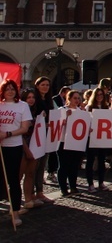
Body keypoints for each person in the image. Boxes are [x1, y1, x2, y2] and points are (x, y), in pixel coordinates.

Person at [0, 79, 32, 227]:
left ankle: (16, 211)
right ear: (3, 91)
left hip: (14, 146)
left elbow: (24, 128)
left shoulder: (23, 106)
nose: (10, 91)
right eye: (7, 89)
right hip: (0, 147)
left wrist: (6, 134)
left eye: (13, 89)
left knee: (13, 179)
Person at [57, 90, 85, 196]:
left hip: (76, 142)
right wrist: (65, 117)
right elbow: (57, 125)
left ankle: (73, 186)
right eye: (75, 98)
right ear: (69, 99)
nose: (77, 100)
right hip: (63, 141)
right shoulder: (62, 110)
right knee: (64, 165)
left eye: (78, 98)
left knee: (74, 165)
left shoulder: (81, 111)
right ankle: (63, 188)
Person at [32, 76, 54, 204]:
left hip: (46, 134)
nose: (45, 87)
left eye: (47, 85)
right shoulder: (35, 100)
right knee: (35, 164)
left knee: (42, 165)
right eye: (43, 85)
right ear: (37, 86)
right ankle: (32, 193)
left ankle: (40, 191)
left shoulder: (48, 100)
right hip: (36, 135)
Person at [19, 88, 41, 211]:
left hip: (34, 145)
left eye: (33, 97)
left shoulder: (34, 111)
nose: (31, 99)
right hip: (22, 146)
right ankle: (16, 202)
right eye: (28, 97)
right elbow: (21, 134)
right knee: (19, 175)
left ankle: (28, 199)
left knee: (30, 173)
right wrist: (27, 150)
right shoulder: (20, 112)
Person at [85, 87, 110, 191]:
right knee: (90, 160)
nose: (99, 96)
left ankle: (101, 182)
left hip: (102, 137)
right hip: (91, 137)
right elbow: (86, 121)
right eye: (98, 95)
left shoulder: (105, 107)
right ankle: (90, 183)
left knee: (101, 160)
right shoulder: (89, 107)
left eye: (101, 95)